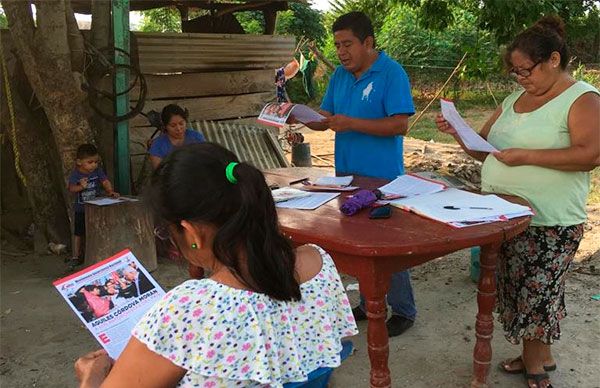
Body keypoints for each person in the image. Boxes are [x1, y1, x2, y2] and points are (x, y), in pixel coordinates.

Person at [74, 143, 358, 387]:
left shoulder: (187, 311)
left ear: (192, 233)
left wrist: (90, 378)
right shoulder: (319, 264)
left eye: (168, 234)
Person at [435, 16, 599, 388]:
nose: (520, 78)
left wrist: (526, 156)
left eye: (525, 70)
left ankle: (535, 363)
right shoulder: (514, 100)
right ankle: (538, 354)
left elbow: (590, 154)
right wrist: (460, 134)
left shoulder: (582, 98)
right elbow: (485, 150)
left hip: (550, 218)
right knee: (514, 288)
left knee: (538, 291)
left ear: (553, 60)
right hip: (504, 213)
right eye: (515, 73)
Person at [315, 11, 417, 337]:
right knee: (358, 241)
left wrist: (351, 123)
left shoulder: (391, 73)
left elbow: (400, 124)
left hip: (382, 177)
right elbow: (326, 115)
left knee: (389, 245)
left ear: (368, 42)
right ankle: (368, 301)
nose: (341, 52)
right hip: (345, 174)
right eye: (337, 46)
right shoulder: (340, 76)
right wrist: (296, 119)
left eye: (347, 44)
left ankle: (403, 310)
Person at [67, 144, 119, 269]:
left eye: (95, 162)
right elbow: (71, 188)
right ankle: (76, 256)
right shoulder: (76, 174)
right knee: (79, 233)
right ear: (79, 162)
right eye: (89, 162)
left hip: (97, 208)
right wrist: (81, 187)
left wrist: (110, 191)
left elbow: (105, 181)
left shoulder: (97, 171)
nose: (93, 165)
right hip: (81, 209)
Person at [148, 104, 205, 169]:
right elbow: (160, 173)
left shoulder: (196, 137)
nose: (178, 128)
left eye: (181, 123)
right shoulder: (157, 145)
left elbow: (204, 161)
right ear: (165, 126)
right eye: (173, 125)